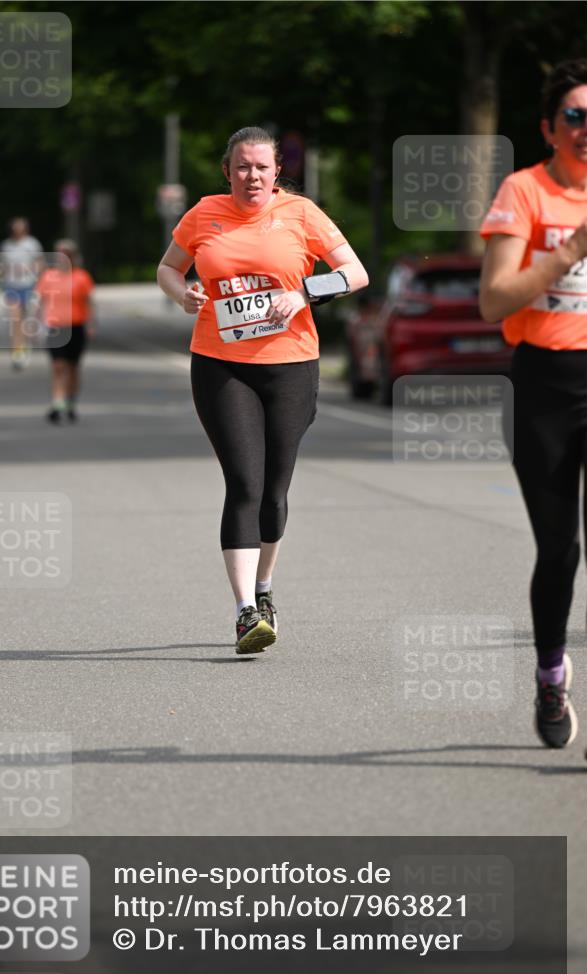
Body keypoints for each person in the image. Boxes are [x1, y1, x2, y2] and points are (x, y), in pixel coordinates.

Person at [157, 126, 368, 654]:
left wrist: (303, 295)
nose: (253, 176)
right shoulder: (203, 213)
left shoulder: (301, 214)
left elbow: (356, 273)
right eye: (243, 167)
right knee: (244, 485)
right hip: (221, 364)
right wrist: (180, 292)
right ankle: (245, 611)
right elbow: (167, 267)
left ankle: (265, 586)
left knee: (274, 493)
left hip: (291, 365)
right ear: (227, 172)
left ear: (278, 174)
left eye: (263, 168)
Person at [479, 58, 587, 750]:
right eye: (574, 116)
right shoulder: (524, 192)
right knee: (560, 549)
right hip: (543, 385)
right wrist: (568, 251)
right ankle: (550, 672)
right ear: (549, 129)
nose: (586, 129)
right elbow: (493, 299)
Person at [35, 239, 95, 423]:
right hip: (55, 327)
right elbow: (41, 302)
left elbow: (89, 302)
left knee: (73, 367)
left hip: (76, 326)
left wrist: (91, 324)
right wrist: (37, 325)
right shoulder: (48, 276)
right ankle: (57, 403)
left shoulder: (81, 277)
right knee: (57, 366)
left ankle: (70, 402)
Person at [0, 217, 43, 369]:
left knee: (25, 320)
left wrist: (30, 271)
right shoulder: (6, 245)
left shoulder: (32, 243)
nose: (18, 230)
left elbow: (40, 263)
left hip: (28, 284)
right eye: (15, 227)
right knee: (15, 318)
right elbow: (2, 265)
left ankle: (25, 345)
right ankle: (17, 351)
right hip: (11, 285)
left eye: (21, 227)